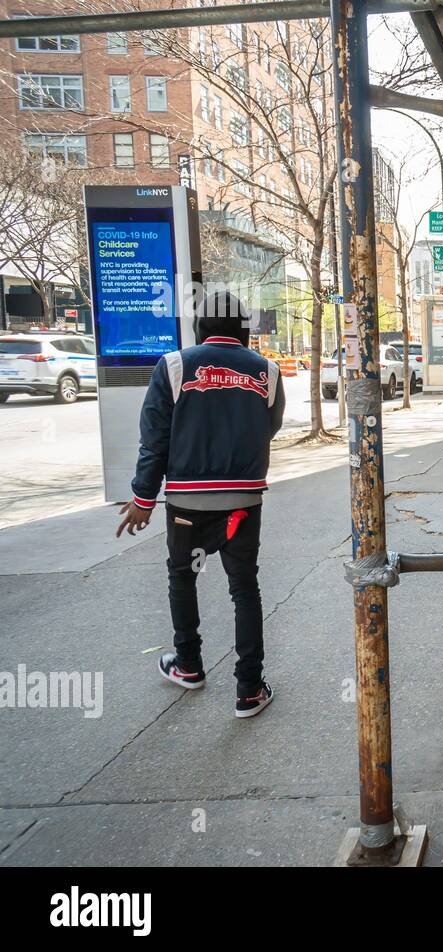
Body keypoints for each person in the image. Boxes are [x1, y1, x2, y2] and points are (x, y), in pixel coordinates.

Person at [115, 291, 285, 718]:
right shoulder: (267, 370)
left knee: (185, 577)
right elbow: (271, 425)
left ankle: (188, 664)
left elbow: (154, 438)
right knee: (244, 588)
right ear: (244, 328)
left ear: (200, 326)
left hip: (188, 505)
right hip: (244, 502)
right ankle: (249, 689)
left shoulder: (173, 365)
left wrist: (143, 498)